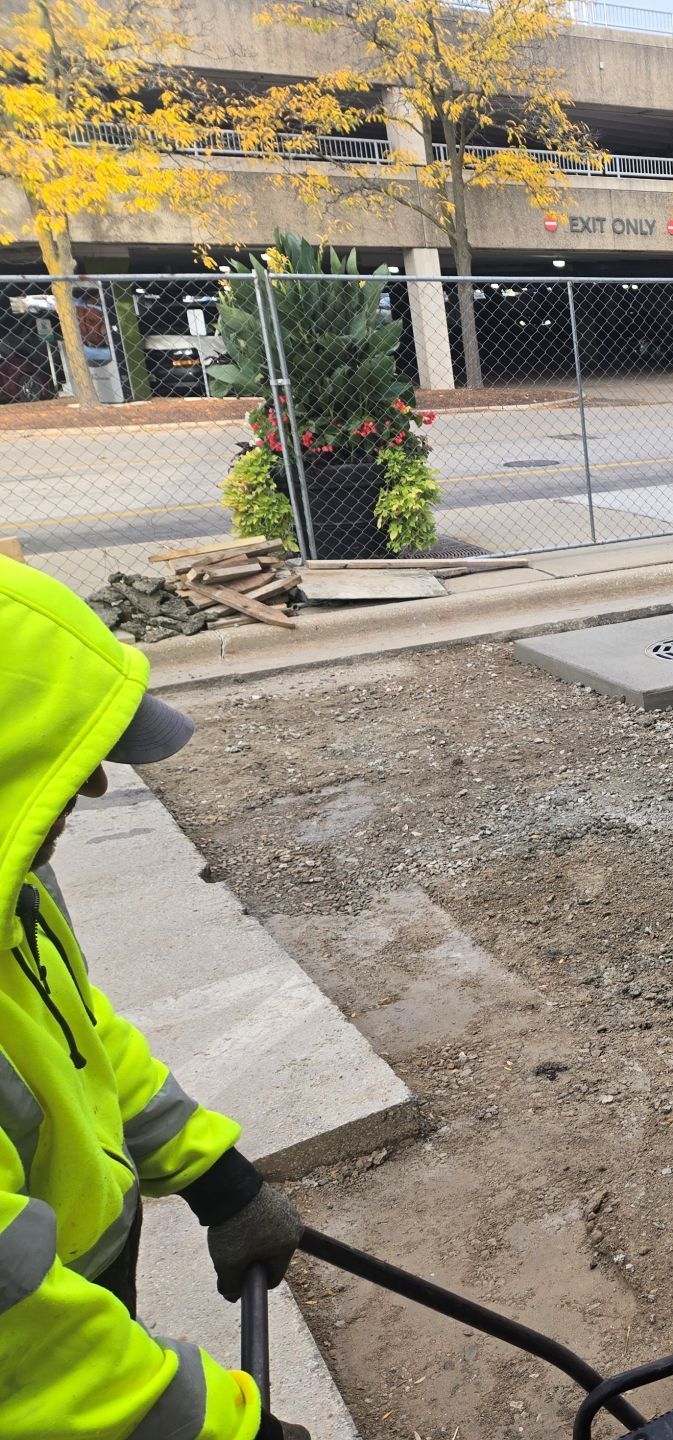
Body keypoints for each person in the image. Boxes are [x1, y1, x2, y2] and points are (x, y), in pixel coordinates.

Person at [0, 556, 308, 1438]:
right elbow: (26, 1350)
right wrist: (218, 1428)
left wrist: (213, 1173)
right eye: (67, 761)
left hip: (82, 1285)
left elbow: (76, 1034)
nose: (95, 786)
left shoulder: (16, 893)